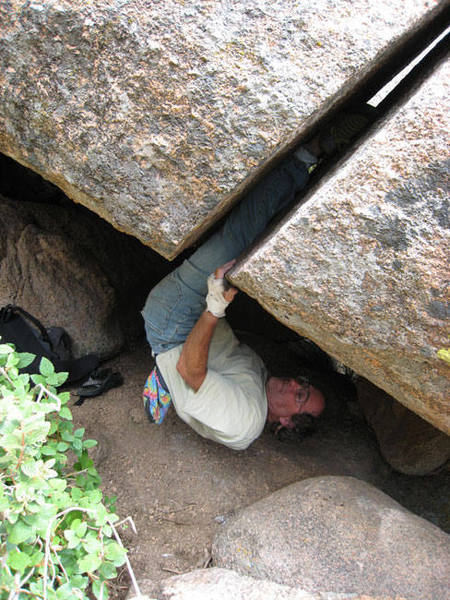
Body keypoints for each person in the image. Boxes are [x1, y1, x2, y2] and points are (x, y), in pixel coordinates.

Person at [141, 112, 370, 450]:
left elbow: (190, 373)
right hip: (186, 329)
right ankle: (316, 170)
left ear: (285, 423)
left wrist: (214, 307)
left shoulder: (243, 422)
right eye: (301, 384)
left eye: (300, 395)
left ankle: (313, 151)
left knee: (239, 238)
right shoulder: (260, 389)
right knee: (261, 243)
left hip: (171, 326)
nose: (294, 383)